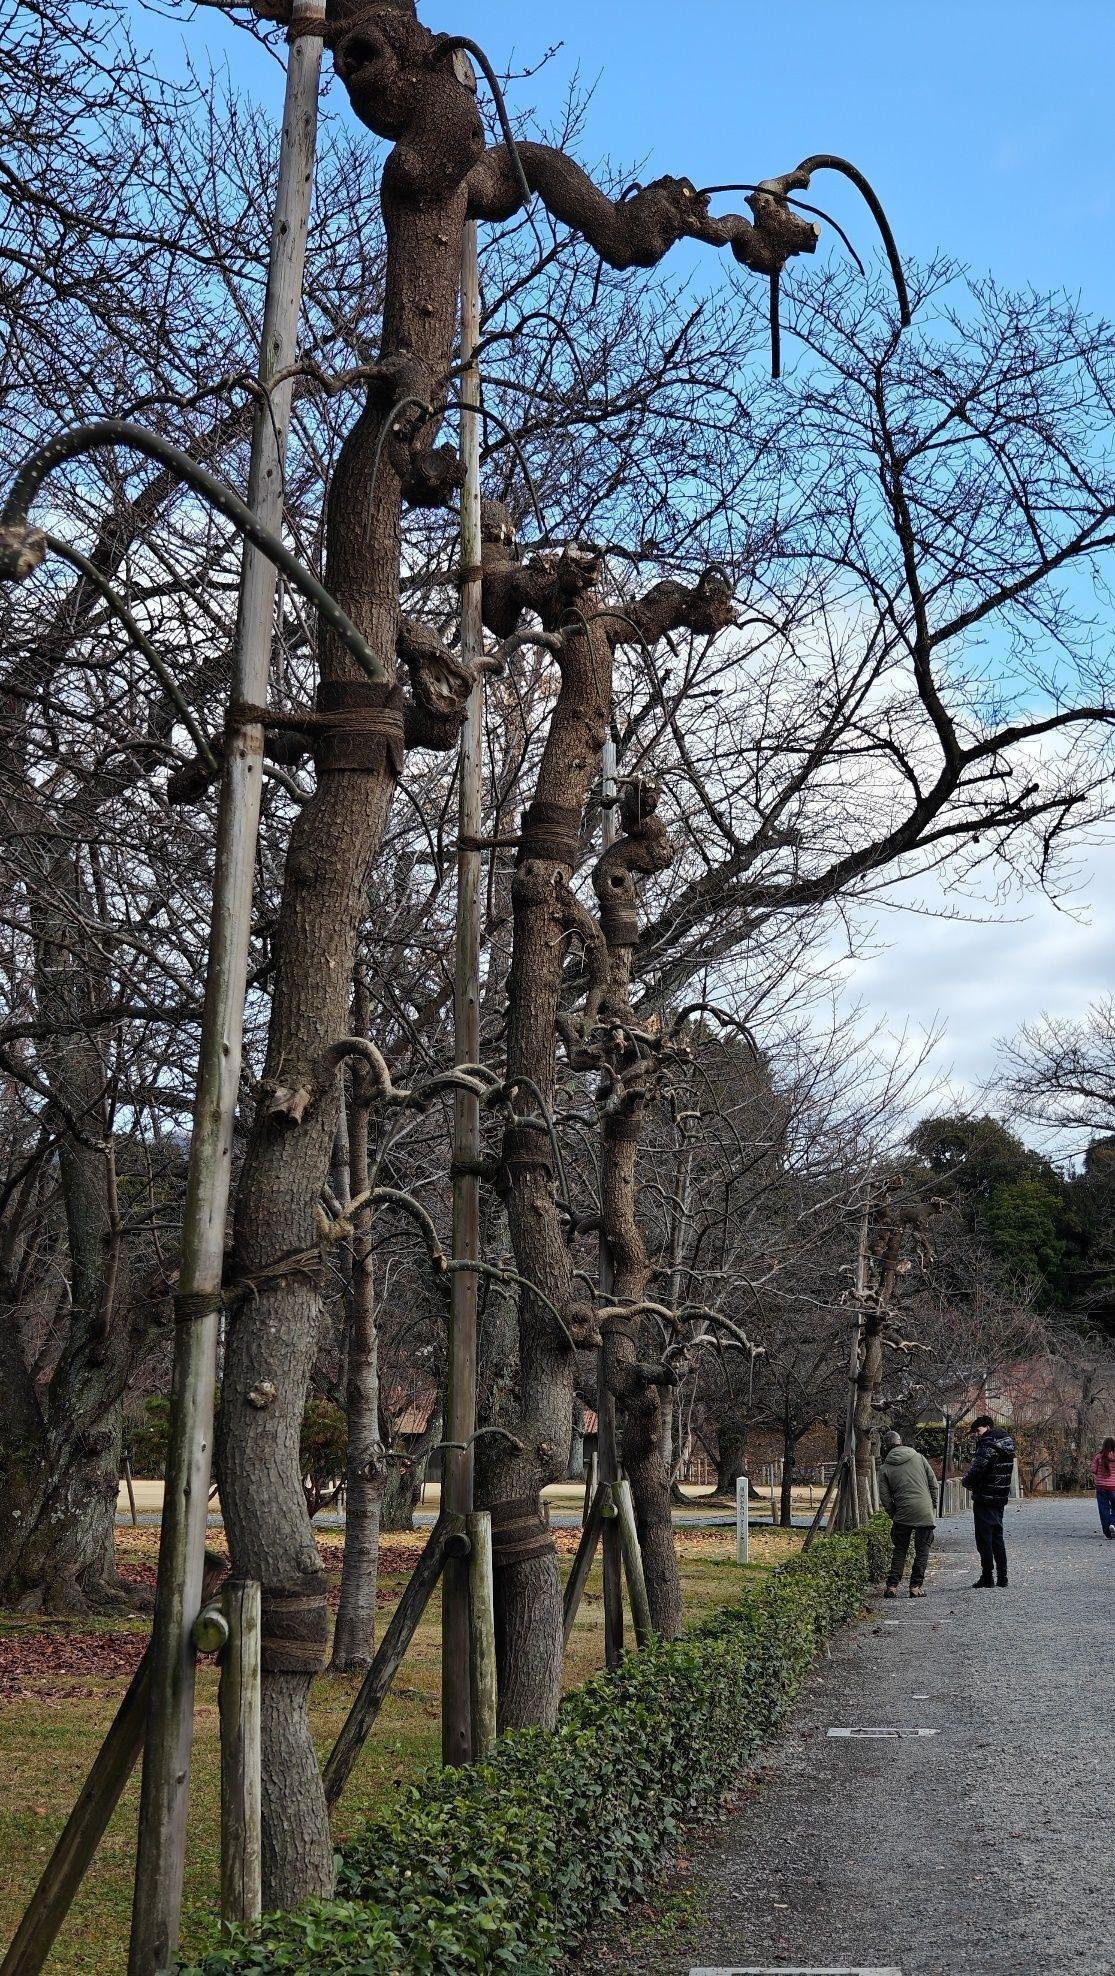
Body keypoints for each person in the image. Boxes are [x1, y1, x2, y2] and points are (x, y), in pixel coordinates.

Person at [877, 1428, 939, 1599]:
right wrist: (932, 1505)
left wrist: (893, 1513)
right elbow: (933, 1483)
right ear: (900, 1442)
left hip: (902, 1513)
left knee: (900, 1550)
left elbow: (885, 1497)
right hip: (924, 1510)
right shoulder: (919, 1457)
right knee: (922, 1550)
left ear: (886, 1447)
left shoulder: (885, 1468)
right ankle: (915, 1587)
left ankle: (892, 1586)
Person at [962, 1415, 1015, 1588]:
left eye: (978, 1430)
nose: (977, 1434)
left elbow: (978, 1469)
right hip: (1000, 1496)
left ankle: (987, 1576)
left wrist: (966, 1482)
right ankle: (1002, 1576)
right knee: (997, 1536)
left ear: (986, 1427)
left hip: (985, 1496)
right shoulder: (1006, 1443)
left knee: (984, 1538)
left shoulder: (988, 1444)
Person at [1092, 1437, 1115, 1538]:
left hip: (1101, 1486)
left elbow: (1093, 1470)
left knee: (1103, 1508)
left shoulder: (1098, 1456)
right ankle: (1113, 1523)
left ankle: (1107, 1532)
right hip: (1114, 1487)